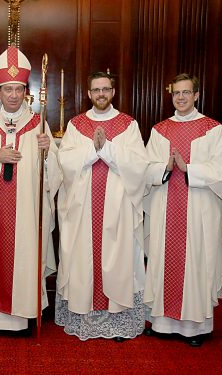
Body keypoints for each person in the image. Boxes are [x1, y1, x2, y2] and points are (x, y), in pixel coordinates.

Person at [0, 46, 61, 335]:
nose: (13, 95)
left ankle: (24, 313)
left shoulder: (37, 124)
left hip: (26, 212)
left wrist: (47, 153)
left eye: (18, 89)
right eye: (8, 89)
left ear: (25, 91)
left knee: (24, 255)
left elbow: (53, 173)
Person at [142, 74, 222, 347]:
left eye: (186, 93)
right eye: (176, 93)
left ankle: (195, 327)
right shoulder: (160, 130)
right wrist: (165, 168)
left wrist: (189, 169)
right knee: (162, 260)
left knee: (196, 262)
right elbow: (146, 167)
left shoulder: (212, 129)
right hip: (165, 208)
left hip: (199, 210)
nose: (181, 98)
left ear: (197, 95)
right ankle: (162, 323)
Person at [54, 72, 148, 341]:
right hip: (83, 208)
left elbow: (138, 164)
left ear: (113, 92)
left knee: (118, 260)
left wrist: (106, 149)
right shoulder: (76, 124)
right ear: (88, 93)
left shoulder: (128, 124)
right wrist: (92, 150)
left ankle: (118, 320)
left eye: (106, 89)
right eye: (96, 90)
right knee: (83, 258)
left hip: (117, 209)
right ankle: (83, 314)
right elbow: (66, 162)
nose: (101, 94)